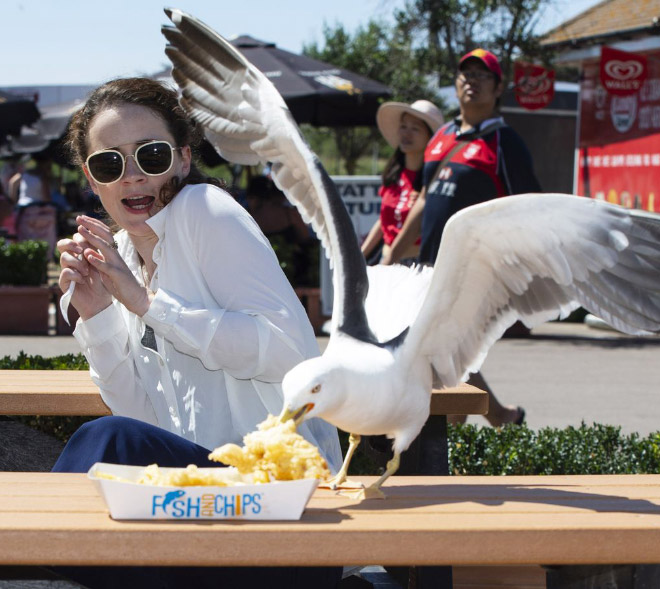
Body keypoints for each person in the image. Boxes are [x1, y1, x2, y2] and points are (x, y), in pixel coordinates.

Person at [52, 77, 342, 589]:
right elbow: (143, 419)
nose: (133, 177)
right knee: (112, 454)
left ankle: (35, 549)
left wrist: (147, 304)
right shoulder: (122, 255)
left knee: (105, 442)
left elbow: (289, 357)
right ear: (92, 180)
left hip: (286, 513)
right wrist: (98, 314)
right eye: (110, 164)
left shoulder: (207, 212)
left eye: (152, 154)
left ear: (184, 159)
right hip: (199, 506)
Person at [386, 49, 543, 426]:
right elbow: (424, 198)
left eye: (482, 75)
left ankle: (455, 433)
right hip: (430, 265)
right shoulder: (441, 137)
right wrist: (393, 250)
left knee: (440, 351)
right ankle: (490, 420)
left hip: (475, 271)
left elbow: (531, 209)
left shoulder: (506, 143)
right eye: (465, 74)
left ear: (498, 87)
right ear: (455, 85)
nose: (471, 81)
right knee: (443, 354)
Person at [361, 99, 443, 265]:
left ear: (430, 137)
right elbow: (384, 221)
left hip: (420, 266)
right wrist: (360, 255)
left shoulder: (436, 180)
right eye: (403, 126)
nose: (407, 133)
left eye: (415, 128)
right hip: (387, 261)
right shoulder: (394, 174)